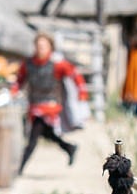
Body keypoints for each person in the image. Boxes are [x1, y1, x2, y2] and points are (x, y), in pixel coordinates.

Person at [14, 31, 87, 173]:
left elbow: (74, 74)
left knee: (33, 138)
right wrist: (14, 90)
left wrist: (82, 92)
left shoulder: (57, 64)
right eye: (38, 46)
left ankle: (19, 169)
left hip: (50, 106)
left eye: (43, 46)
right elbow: (20, 79)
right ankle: (69, 147)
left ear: (50, 47)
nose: (40, 49)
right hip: (34, 105)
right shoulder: (28, 64)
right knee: (46, 133)